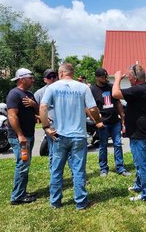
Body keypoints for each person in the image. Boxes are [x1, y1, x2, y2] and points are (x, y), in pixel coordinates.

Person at [40, 63, 103, 210]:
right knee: (78, 170)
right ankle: (81, 202)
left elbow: (43, 107)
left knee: (56, 170)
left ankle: (55, 202)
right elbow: (93, 108)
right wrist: (98, 122)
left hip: (59, 135)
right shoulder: (82, 87)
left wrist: (46, 128)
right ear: (72, 73)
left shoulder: (52, 87)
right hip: (79, 135)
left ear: (61, 73)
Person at [112, 64, 146, 202]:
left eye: (130, 77)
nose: (129, 79)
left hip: (140, 135)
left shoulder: (138, 89)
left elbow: (115, 94)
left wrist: (117, 78)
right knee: (141, 163)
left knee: (142, 165)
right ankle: (138, 185)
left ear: (135, 78)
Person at [6, 68, 39, 205]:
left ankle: (22, 192)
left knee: (25, 164)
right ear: (21, 79)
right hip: (20, 137)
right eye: (30, 77)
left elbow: (37, 111)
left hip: (29, 135)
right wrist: (20, 135)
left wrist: (34, 104)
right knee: (22, 164)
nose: (33, 80)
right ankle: (17, 196)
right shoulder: (14, 94)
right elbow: (12, 115)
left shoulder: (30, 94)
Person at [90, 67, 130, 177]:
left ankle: (120, 168)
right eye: (103, 76)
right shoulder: (93, 90)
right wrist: (96, 120)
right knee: (103, 145)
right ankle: (103, 168)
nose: (105, 78)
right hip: (103, 123)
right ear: (97, 77)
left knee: (117, 144)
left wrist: (122, 119)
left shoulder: (111, 87)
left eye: (106, 76)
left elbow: (118, 104)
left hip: (115, 122)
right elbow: (89, 107)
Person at [34, 69, 58, 163]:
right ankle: (54, 174)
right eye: (49, 77)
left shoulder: (62, 90)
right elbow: (34, 111)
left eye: (54, 76)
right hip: (51, 127)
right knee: (52, 151)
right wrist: (42, 118)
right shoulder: (39, 93)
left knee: (68, 152)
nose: (52, 78)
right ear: (45, 79)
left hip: (64, 124)